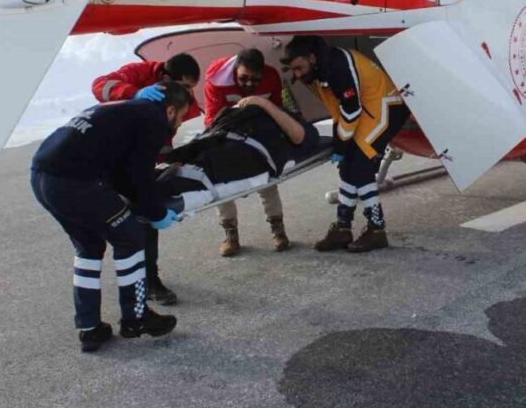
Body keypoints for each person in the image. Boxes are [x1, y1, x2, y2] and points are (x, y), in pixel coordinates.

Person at [30, 82, 192, 352]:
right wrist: (157, 213)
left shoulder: (124, 109)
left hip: (41, 176)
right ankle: (136, 318)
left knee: (89, 247)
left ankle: (89, 327)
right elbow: (137, 177)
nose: (179, 123)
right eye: (182, 116)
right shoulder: (153, 119)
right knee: (130, 237)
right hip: (74, 180)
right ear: (171, 110)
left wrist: (141, 203)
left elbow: (119, 172)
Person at [281, 36, 410, 253]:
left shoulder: (337, 67)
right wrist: (342, 143)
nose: (297, 74)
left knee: (361, 169)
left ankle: (377, 230)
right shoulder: (322, 66)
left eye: (299, 68)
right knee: (348, 168)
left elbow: (351, 110)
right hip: (367, 107)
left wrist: (341, 146)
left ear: (311, 57)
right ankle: (343, 228)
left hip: (386, 106)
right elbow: (341, 110)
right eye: (293, 70)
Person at [91, 52, 200, 307]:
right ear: (165, 78)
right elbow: (100, 85)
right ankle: (135, 293)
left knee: (145, 220)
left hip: (136, 159)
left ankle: (148, 281)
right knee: (122, 226)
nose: (188, 95)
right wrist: (133, 93)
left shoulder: (172, 104)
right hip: (111, 161)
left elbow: (161, 139)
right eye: (184, 87)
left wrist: (169, 161)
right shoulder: (139, 75)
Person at [156, 96, 321, 218]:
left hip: (251, 151)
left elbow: (299, 136)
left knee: (206, 167)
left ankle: (155, 192)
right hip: (219, 136)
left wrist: (265, 104)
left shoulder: (287, 119)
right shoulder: (240, 109)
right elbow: (208, 133)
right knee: (177, 157)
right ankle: (145, 181)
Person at [202, 48, 290, 256]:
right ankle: (230, 233)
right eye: (244, 78)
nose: (249, 84)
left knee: (268, 180)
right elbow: (211, 120)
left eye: (255, 80)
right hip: (225, 133)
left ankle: (278, 229)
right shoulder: (216, 80)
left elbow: (277, 109)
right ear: (234, 70)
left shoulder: (271, 77)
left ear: (263, 73)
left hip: (259, 132)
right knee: (220, 182)